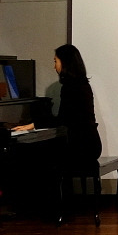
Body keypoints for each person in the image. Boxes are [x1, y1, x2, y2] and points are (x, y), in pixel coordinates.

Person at [13, 44, 104, 220]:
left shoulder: (70, 87)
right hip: (91, 144)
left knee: (36, 156)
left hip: (81, 147)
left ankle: (41, 208)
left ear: (65, 62)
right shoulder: (83, 84)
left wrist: (32, 125)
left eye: (56, 61)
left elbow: (62, 119)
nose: (54, 65)